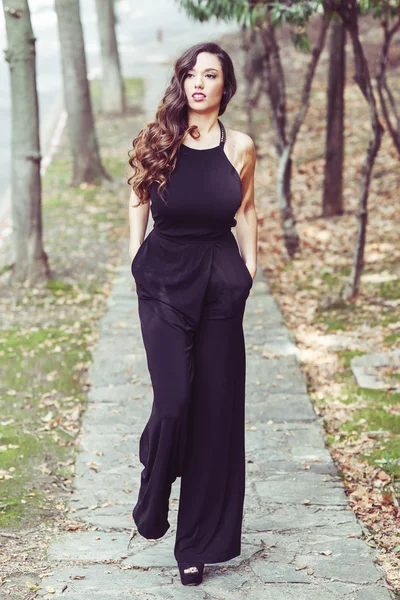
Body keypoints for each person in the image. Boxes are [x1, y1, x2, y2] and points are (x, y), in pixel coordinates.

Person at [127, 41, 257, 586]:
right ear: (181, 82)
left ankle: (195, 546)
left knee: (214, 414)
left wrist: (249, 271)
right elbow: (136, 196)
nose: (199, 83)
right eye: (191, 74)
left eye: (211, 75)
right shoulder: (156, 139)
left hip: (221, 282)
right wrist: (135, 257)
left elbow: (247, 209)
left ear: (225, 87)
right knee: (175, 400)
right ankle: (154, 488)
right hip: (163, 280)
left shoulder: (242, 146)